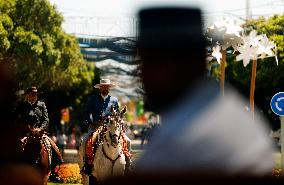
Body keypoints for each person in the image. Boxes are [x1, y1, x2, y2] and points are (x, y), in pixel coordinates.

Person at [135, 7, 275, 176]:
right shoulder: (238, 115)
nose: (141, 76)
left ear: (194, 63)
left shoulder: (178, 139)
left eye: (150, 64)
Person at [81, 79, 132, 175]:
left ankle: (128, 164)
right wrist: (90, 123)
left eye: (107, 86)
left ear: (109, 88)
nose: (105, 88)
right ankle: (87, 165)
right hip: (96, 126)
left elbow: (117, 115)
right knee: (85, 141)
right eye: (103, 86)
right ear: (100, 88)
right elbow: (86, 112)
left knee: (128, 141)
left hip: (111, 127)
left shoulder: (114, 100)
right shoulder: (93, 99)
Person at [15, 86, 63, 176]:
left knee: (51, 144)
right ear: (27, 95)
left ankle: (55, 170)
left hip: (39, 132)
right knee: (17, 146)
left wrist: (40, 128)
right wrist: (25, 127)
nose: (34, 96)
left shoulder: (41, 105)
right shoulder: (22, 106)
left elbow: (46, 119)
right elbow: (17, 119)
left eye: (35, 94)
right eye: (32, 94)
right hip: (25, 132)